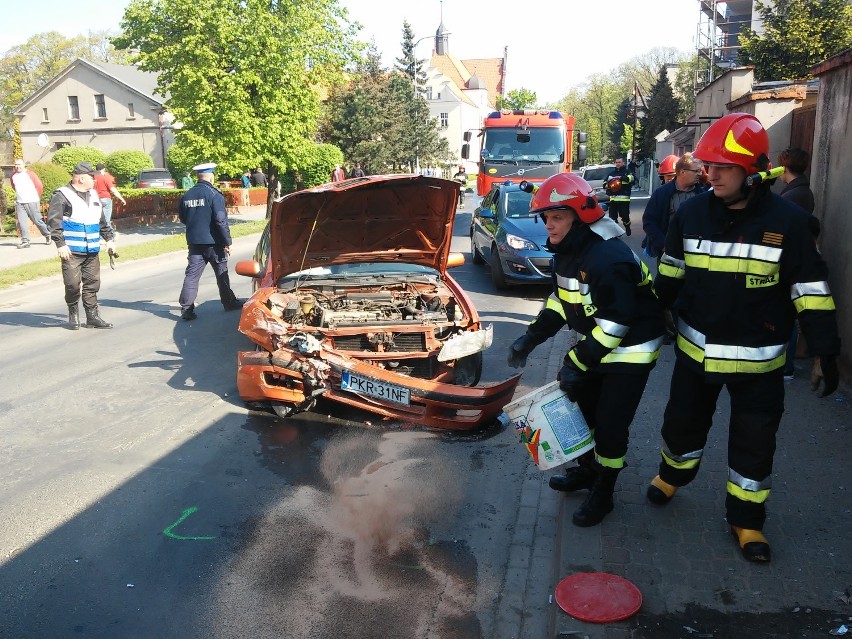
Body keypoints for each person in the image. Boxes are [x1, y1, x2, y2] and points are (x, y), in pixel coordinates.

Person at [646, 113, 841, 563]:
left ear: (752, 171)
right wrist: (654, 313)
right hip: (696, 357)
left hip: (760, 366)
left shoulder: (789, 223)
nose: (711, 174)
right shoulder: (691, 213)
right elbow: (671, 273)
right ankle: (672, 477)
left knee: (754, 443)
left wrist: (825, 353)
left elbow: (810, 293)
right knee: (681, 426)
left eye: (723, 167)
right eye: (709, 166)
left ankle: (747, 521)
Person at [508, 173, 665, 527]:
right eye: (546, 217)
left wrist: (576, 362)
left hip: (631, 351)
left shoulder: (607, 258)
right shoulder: (568, 251)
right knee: (586, 416)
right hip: (600, 345)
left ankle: (604, 494)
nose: (549, 224)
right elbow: (563, 302)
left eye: (557, 217)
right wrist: (531, 337)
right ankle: (588, 471)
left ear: (580, 217)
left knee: (610, 426)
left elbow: (616, 321)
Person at [46, 161, 116, 330]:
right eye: (92, 178)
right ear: (82, 178)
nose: (95, 181)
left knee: (92, 283)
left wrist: (109, 239)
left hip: (92, 249)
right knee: (72, 284)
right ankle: (73, 313)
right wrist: (60, 244)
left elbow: (102, 221)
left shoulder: (93, 195)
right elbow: (54, 222)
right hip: (71, 251)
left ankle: (92, 316)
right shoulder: (61, 195)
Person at [177, 163, 243, 321]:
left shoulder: (187, 195)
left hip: (194, 243)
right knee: (222, 273)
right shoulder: (214, 195)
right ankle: (229, 302)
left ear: (197, 176)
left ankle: (186, 309)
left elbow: (183, 218)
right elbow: (220, 221)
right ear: (211, 176)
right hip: (214, 243)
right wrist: (227, 241)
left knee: (191, 275)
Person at [777, 147, 820, 379]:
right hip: (794, 258)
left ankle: (786, 366)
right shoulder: (799, 190)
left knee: (787, 315)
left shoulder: (795, 195)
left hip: (791, 261)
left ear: (785, 167)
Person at [641, 153, 707, 261]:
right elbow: (649, 222)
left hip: (696, 255)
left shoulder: (701, 194)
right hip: (668, 255)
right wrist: (664, 246)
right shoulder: (661, 194)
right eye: (696, 171)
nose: (700, 174)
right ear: (682, 172)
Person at [9, 158, 50, 249]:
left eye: (19, 164)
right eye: (16, 164)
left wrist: (36, 198)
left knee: (37, 220)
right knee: (22, 222)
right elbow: (14, 186)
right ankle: (25, 241)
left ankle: (47, 234)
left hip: (32, 201)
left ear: (23, 165)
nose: (17, 166)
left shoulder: (30, 174)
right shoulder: (13, 175)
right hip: (20, 203)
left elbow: (39, 186)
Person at [605, 157, 635, 236]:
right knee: (612, 217)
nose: (618, 163)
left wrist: (621, 178)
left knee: (624, 216)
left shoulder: (627, 172)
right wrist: (608, 186)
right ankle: (616, 232)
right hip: (613, 199)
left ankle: (627, 227)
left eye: (619, 162)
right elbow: (605, 183)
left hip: (624, 199)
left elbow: (632, 179)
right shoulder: (611, 174)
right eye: (616, 162)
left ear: (623, 163)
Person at [93, 163, 126, 232]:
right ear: (103, 169)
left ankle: (101, 236)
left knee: (97, 219)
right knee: (106, 220)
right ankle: (111, 235)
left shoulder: (92, 178)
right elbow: (113, 190)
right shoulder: (104, 178)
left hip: (95, 200)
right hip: (105, 199)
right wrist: (122, 199)